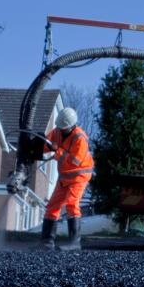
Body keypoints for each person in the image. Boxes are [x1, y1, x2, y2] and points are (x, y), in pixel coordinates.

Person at [40, 107, 94, 251]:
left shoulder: (80, 138)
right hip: (64, 177)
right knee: (52, 206)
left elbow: (75, 161)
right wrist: (36, 148)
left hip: (79, 176)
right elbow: (46, 144)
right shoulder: (57, 131)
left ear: (72, 125)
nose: (61, 130)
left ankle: (74, 243)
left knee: (71, 203)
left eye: (64, 128)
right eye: (60, 127)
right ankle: (47, 242)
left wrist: (58, 152)